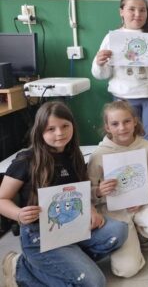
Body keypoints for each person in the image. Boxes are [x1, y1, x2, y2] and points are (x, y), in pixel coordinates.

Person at [0, 102, 128, 287]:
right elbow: (2, 198)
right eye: (51, 129)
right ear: (39, 131)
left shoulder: (74, 155)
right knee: (94, 283)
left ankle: (68, 261)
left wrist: (91, 209)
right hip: (40, 235)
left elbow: (80, 191)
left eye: (65, 126)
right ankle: (20, 269)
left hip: (73, 225)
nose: (59, 133)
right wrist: (18, 214)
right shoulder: (26, 160)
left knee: (119, 230)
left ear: (73, 126)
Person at [87, 101, 148, 277]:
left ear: (135, 121)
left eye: (127, 121)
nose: (122, 128)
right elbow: (87, 192)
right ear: (107, 127)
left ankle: (140, 231)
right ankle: (131, 236)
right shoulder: (98, 155)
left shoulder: (147, 147)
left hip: (143, 203)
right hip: (114, 211)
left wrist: (143, 196)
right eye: (115, 124)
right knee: (127, 270)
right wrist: (98, 191)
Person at [91, 0, 148, 146]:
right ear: (121, 11)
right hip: (124, 96)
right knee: (126, 139)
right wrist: (99, 63)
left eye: (142, 10)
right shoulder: (112, 38)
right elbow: (102, 74)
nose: (138, 14)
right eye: (132, 9)